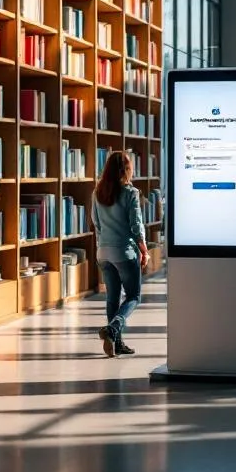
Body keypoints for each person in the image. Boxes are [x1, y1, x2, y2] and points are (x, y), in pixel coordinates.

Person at [93, 151, 148, 356]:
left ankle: (115, 343)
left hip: (103, 252)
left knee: (112, 298)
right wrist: (144, 250)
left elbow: (97, 224)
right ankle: (113, 328)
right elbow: (136, 225)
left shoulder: (97, 192)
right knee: (133, 296)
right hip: (123, 252)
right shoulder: (130, 193)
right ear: (126, 170)